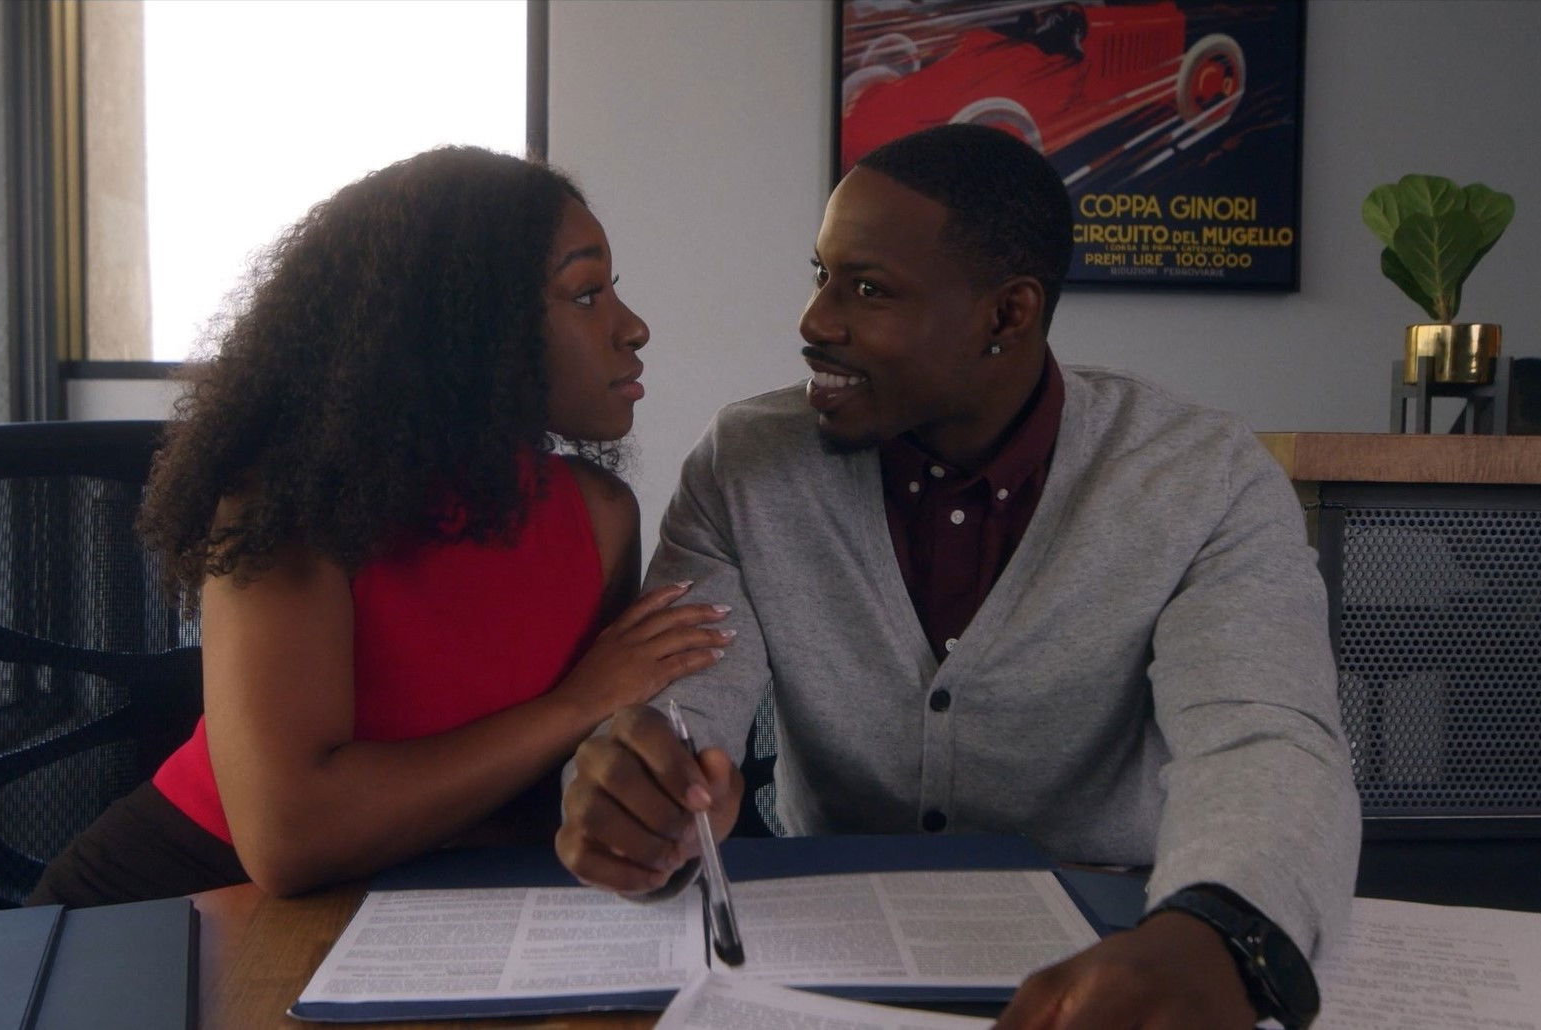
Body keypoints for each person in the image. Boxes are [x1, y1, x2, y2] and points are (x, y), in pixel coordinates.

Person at [557, 125, 1360, 1030]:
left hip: (1123, 947)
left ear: (1006, 315)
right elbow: (681, 703)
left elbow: (1263, 738)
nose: (814, 322)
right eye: (821, 275)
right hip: (825, 940)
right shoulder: (744, 465)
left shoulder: (1201, 475)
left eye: (868, 289)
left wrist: (1217, 931)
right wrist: (645, 793)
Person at [29, 146, 736, 908]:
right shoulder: (291, 509)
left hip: (411, 909)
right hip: (176, 901)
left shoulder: (599, 515)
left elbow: (566, 787)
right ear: (467, 327)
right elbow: (290, 838)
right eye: (586, 294)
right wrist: (576, 704)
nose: (633, 328)